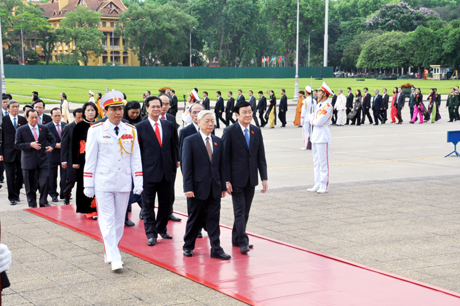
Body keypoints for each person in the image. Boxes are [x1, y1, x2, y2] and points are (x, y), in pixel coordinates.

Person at [83, 91, 143, 271]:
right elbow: (90, 159)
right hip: (104, 182)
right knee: (107, 219)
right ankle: (115, 256)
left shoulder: (131, 130)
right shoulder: (96, 130)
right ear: (105, 111)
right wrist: (88, 183)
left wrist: (138, 182)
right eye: (114, 109)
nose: (118, 113)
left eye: (120, 109)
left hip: (123, 182)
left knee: (118, 221)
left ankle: (111, 250)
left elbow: (136, 158)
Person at [182, 110, 231, 260]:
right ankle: (188, 245)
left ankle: (216, 248)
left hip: (214, 188)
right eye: (207, 121)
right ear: (198, 122)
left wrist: (223, 185)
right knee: (195, 218)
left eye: (212, 121)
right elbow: (186, 166)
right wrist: (188, 188)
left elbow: (221, 165)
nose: (210, 124)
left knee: (213, 219)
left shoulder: (218, 141)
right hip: (197, 189)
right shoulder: (190, 140)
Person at [222, 102, 268, 254]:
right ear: (237, 115)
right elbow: (225, 158)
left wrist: (264, 178)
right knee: (239, 211)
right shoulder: (229, 131)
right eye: (245, 112)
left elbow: (260, 156)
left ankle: (236, 238)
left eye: (250, 112)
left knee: (245, 211)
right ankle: (243, 241)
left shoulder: (256, 130)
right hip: (235, 180)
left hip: (251, 179)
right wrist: (226, 180)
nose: (248, 115)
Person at [137, 96, 178, 246]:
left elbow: (174, 147)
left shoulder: (169, 125)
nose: (156, 109)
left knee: (166, 204)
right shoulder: (140, 127)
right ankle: (151, 233)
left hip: (167, 172)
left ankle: (162, 228)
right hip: (148, 172)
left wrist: (173, 166)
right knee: (148, 205)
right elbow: (138, 152)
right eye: (152, 107)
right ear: (146, 109)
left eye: (158, 106)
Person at [15, 109, 56, 207]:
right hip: (28, 161)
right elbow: (17, 144)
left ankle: (43, 201)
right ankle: (32, 203)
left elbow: (52, 139)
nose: (34, 119)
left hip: (43, 160)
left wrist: (52, 146)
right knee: (30, 185)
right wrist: (30, 144)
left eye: (36, 117)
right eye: (32, 118)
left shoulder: (43, 128)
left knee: (45, 181)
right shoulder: (21, 129)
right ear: (27, 118)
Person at [72, 102, 98, 219]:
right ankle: (88, 209)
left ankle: (98, 208)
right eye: (88, 110)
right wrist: (75, 161)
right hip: (84, 159)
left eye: (93, 110)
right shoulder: (79, 126)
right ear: (84, 112)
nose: (91, 112)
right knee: (85, 182)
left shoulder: (100, 125)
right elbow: (74, 145)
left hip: (98, 158)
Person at [0, 100, 27, 205]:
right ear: (7, 108)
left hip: (21, 152)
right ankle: (12, 197)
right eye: (13, 107)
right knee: (10, 175)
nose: (15, 108)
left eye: (17, 106)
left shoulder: (23, 120)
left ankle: (16, 193)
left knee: (20, 175)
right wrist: (0, 153)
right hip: (8, 152)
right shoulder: (3, 120)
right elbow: (1, 139)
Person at [159, 94, 181, 223]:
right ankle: (145, 210)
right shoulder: (146, 119)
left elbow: (175, 141)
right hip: (154, 161)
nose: (164, 106)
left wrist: (177, 159)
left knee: (169, 188)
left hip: (169, 160)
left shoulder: (171, 118)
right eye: (162, 103)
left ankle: (169, 211)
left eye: (167, 104)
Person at [307, 83, 333, 194]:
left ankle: (324, 184)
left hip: (323, 136)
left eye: (320, 92)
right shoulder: (319, 105)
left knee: (323, 162)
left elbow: (317, 122)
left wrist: (311, 119)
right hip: (316, 136)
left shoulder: (327, 106)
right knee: (316, 161)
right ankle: (317, 183)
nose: (317, 93)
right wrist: (312, 118)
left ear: (325, 94)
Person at [61, 108, 84, 205]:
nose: (81, 120)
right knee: (71, 180)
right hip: (72, 159)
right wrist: (64, 160)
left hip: (83, 159)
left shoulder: (88, 126)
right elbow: (64, 145)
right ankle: (66, 196)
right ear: (74, 117)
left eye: (82, 117)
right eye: (78, 118)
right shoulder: (68, 127)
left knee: (83, 182)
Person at [46, 107, 67, 203]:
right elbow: (44, 141)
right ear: (51, 116)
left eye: (59, 115)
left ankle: (64, 192)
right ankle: (53, 194)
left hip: (64, 155)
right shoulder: (46, 127)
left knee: (65, 176)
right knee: (52, 176)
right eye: (55, 116)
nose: (57, 118)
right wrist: (54, 145)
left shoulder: (66, 125)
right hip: (52, 155)